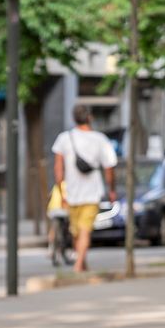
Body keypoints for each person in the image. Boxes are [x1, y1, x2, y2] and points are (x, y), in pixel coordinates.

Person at [51, 105, 117, 273]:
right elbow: (109, 167)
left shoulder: (64, 139)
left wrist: (61, 191)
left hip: (72, 192)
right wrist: (112, 189)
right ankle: (81, 262)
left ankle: (78, 264)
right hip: (92, 192)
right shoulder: (100, 139)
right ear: (90, 117)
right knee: (83, 231)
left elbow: (58, 169)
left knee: (78, 231)